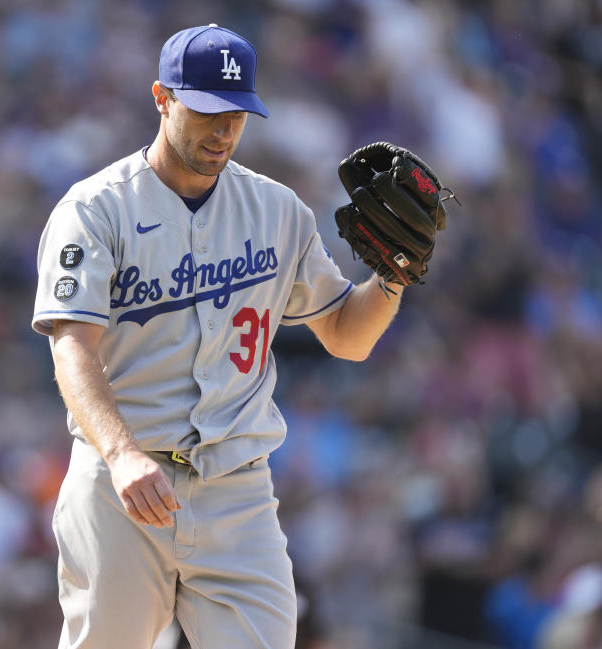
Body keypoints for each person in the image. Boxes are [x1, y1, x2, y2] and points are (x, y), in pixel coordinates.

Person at [32, 24, 407, 649]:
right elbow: (71, 345)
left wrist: (391, 277)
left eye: (237, 114)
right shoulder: (96, 209)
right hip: (124, 484)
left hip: (237, 489)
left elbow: (347, 335)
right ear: (162, 98)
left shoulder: (278, 211)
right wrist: (122, 454)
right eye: (206, 110)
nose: (223, 130)